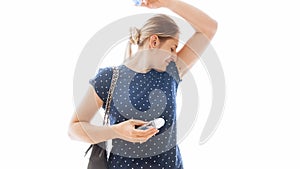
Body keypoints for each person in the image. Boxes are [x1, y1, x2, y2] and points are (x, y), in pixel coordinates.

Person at [68, 0, 217, 168]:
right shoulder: (109, 77)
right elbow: (74, 129)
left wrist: (167, 3)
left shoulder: (170, 72)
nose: (174, 56)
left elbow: (209, 28)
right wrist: (116, 131)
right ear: (154, 42)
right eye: (172, 48)